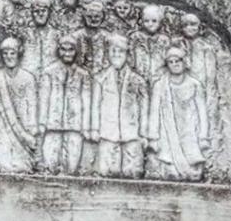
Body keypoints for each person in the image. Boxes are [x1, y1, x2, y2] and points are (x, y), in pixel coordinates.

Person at [146, 45, 211, 181]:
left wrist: (203, 136)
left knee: (194, 172)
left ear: (184, 62)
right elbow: (154, 112)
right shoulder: (160, 85)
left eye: (177, 61)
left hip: (189, 132)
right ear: (167, 65)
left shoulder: (195, 85)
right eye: (171, 62)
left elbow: (202, 113)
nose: (175, 64)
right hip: (168, 133)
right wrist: (153, 137)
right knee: (170, 172)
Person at [90, 34, 149, 178]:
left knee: (133, 172)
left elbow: (144, 108)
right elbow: (95, 105)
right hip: (108, 133)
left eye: (121, 51)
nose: (116, 55)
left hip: (131, 133)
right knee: (106, 172)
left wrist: (144, 133)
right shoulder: (100, 79)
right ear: (108, 53)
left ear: (127, 54)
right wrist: (94, 129)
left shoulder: (138, 80)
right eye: (113, 51)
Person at [37, 34, 91, 174]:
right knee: (50, 163)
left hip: (75, 125)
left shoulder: (83, 75)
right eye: (63, 49)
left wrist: (86, 126)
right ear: (58, 50)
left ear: (76, 51)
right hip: (52, 124)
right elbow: (44, 98)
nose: (67, 53)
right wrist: (42, 122)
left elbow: (86, 101)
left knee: (72, 165)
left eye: (71, 49)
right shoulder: (49, 72)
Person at [0, 36, 37, 173]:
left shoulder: (28, 78)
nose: (9, 57)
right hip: (3, 123)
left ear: (18, 54)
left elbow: (32, 104)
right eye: (5, 53)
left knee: (23, 164)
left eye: (12, 53)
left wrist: (32, 126)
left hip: (23, 125)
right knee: (4, 163)